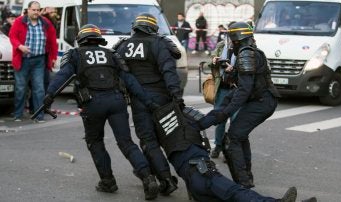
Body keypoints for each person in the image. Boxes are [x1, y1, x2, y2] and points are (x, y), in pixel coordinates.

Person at [43, 24, 159, 200]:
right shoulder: (111, 54)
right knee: (126, 142)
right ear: (98, 38)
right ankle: (148, 178)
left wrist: (49, 95)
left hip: (92, 104)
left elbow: (62, 76)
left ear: (81, 39)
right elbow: (130, 80)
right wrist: (148, 101)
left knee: (95, 142)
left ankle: (108, 181)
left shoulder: (75, 54)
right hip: (116, 101)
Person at [150, 102, 315, 202]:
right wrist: (233, 103)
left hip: (194, 182)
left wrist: (164, 181)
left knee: (234, 197)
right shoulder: (187, 120)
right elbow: (211, 118)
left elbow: (154, 154)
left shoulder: (158, 128)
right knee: (236, 192)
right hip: (203, 173)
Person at [196, 21, 281, 189]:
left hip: (261, 102)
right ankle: (246, 178)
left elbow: (245, 89)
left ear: (235, 39)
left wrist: (226, 113)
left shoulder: (245, 53)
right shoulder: (251, 52)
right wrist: (233, 71)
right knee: (238, 134)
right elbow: (251, 80)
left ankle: (243, 184)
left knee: (232, 138)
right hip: (261, 99)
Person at [114, 13, 180, 196]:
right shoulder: (159, 43)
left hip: (138, 98)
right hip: (162, 97)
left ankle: (165, 178)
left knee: (148, 140)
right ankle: (169, 176)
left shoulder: (123, 46)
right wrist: (177, 95)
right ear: (153, 28)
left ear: (135, 27)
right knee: (169, 138)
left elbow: (116, 72)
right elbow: (169, 71)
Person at [9, 1, 57, 122]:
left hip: (39, 60)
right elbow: (12, 36)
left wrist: (54, 57)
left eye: (38, 10)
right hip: (22, 59)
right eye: (34, 10)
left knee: (39, 88)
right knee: (21, 88)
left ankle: (39, 116)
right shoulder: (19, 21)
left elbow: (52, 41)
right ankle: (18, 114)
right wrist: (20, 46)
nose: (36, 12)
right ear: (28, 10)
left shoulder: (45, 23)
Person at [208, 21, 237, 159]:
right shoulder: (221, 45)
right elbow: (210, 61)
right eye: (229, 33)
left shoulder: (246, 47)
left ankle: (230, 149)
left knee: (235, 120)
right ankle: (218, 146)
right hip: (222, 88)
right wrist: (214, 61)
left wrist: (235, 69)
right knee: (219, 118)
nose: (230, 37)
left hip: (237, 89)